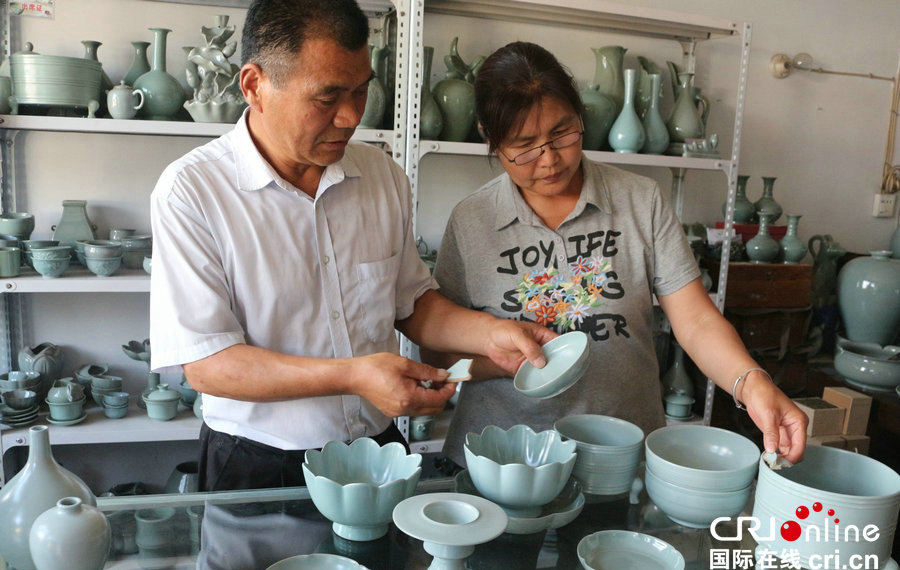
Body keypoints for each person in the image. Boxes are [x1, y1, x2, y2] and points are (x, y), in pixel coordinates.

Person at [148, 0, 556, 492]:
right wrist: (354, 376)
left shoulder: (381, 175)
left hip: (378, 449)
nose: (349, 117)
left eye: (362, 92)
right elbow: (209, 365)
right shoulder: (193, 191)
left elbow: (412, 304)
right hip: (257, 459)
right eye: (326, 98)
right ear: (254, 85)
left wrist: (492, 334)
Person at [423, 41, 808, 467]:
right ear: (489, 139)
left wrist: (752, 382)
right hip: (501, 457)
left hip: (620, 453)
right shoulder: (472, 219)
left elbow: (696, 321)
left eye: (562, 133)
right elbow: (439, 355)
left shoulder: (640, 201)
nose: (549, 159)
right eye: (524, 144)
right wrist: (498, 363)